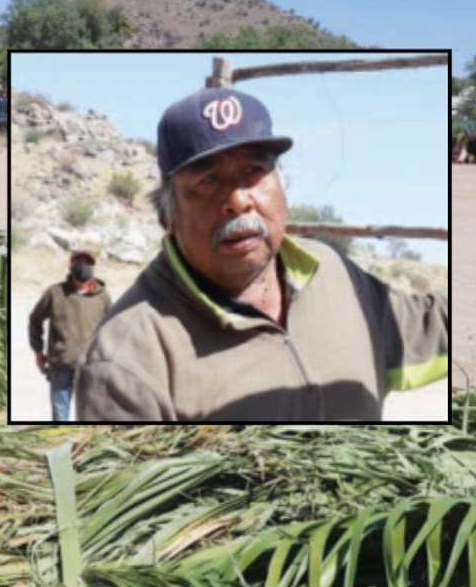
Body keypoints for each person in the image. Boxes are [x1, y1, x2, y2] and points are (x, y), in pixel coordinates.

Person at [76, 87, 448, 421]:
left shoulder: (331, 271)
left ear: (281, 185)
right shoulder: (127, 359)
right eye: (208, 180)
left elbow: (427, 330)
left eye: (254, 170)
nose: (238, 200)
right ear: (169, 214)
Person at [27, 249, 112, 421]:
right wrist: (38, 351)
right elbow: (35, 320)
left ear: (93, 267)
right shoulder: (55, 293)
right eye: (78, 262)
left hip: (92, 366)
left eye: (87, 262)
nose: (82, 266)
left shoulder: (102, 297)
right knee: (60, 416)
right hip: (61, 364)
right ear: (70, 265)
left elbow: (112, 327)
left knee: (91, 415)